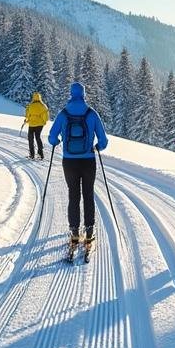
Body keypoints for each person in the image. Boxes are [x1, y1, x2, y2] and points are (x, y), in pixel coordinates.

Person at [48, 82, 108, 261]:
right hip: (88, 161)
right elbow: (104, 141)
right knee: (88, 195)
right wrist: (96, 146)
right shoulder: (91, 113)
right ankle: (89, 233)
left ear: (70, 94)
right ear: (83, 94)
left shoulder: (63, 113)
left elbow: (51, 137)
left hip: (70, 162)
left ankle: (74, 233)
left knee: (73, 195)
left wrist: (58, 142)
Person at [24, 92, 49, 160]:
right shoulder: (43, 106)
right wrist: (43, 122)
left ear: (33, 98)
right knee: (38, 137)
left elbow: (27, 115)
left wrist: (27, 121)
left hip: (32, 124)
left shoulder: (30, 106)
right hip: (40, 125)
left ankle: (32, 155)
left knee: (30, 139)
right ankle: (41, 154)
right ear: (40, 98)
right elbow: (46, 117)